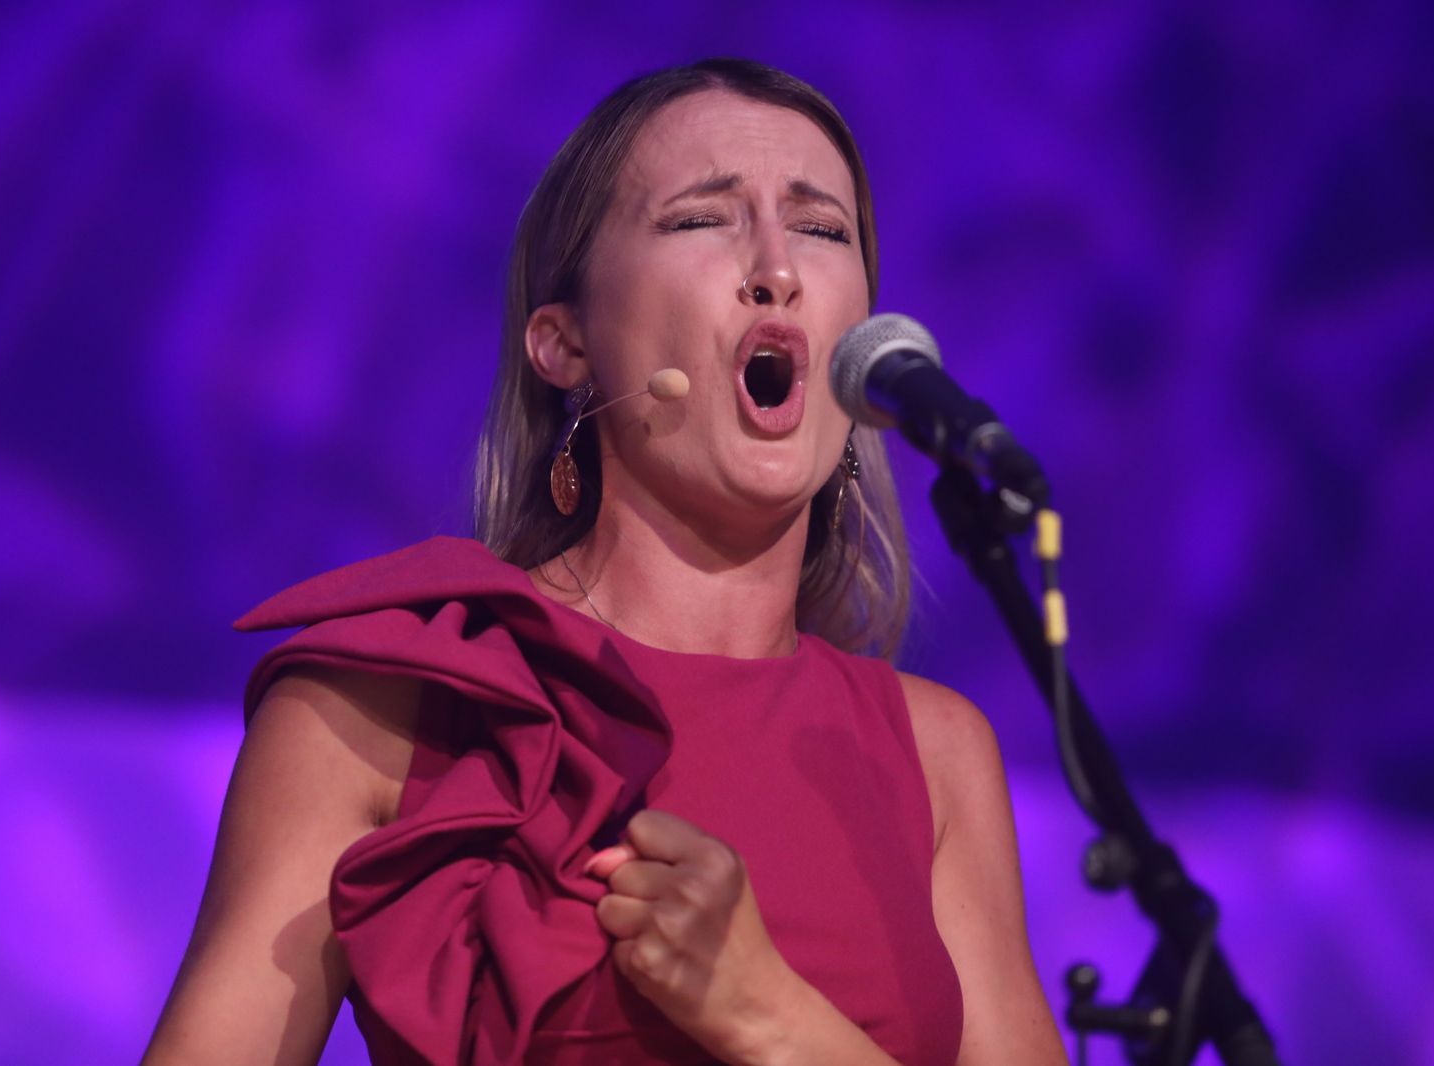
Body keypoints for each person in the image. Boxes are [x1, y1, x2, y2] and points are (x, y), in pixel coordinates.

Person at [138, 58, 1069, 1065]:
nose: (777, 266)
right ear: (564, 343)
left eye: (821, 228)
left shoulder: (934, 757)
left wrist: (767, 1014)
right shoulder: (389, 704)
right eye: (700, 219)